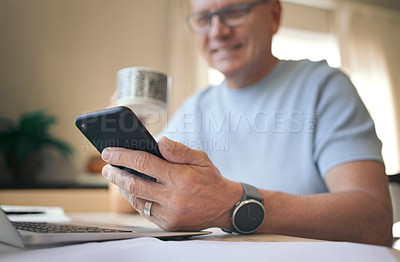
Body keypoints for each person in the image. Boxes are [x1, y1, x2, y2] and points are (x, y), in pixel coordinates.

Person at [101, 0, 393, 246]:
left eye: (234, 12)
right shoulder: (198, 106)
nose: (218, 31)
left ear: (274, 15)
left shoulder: (324, 87)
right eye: (204, 18)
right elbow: (122, 202)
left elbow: (374, 219)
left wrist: (232, 205)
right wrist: (127, 129)